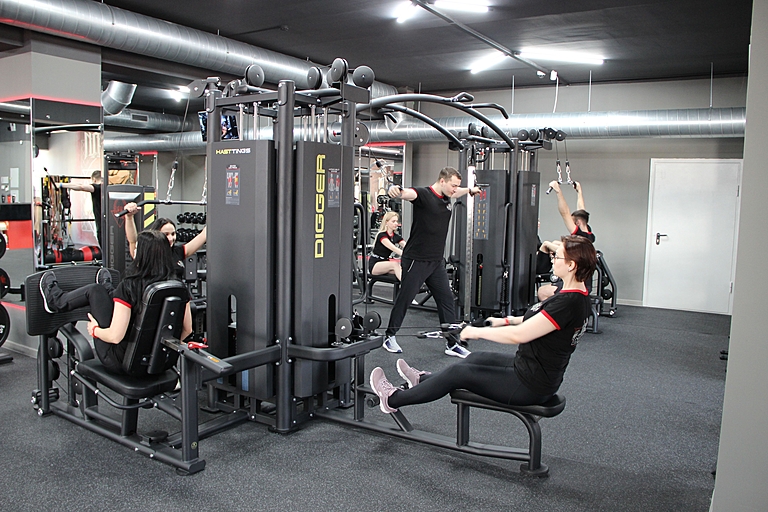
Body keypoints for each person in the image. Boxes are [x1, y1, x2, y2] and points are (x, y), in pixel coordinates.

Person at [369, 235, 596, 414]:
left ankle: (392, 399)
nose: (553, 259)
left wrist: (477, 332)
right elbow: (540, 320)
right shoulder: (572, 293)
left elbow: (519, 335)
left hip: (530, 385)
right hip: (529, 368)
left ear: (571, 265)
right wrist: (504, 320)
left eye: (557, 257)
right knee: (475, 358)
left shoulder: (569, 302)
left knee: (459, 372)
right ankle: (422, 380)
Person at [39, 230, 193, 375]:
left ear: (142, 255)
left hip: (120, 361)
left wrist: (94, 330)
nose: (134, 251)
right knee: (114, 295)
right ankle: (109, 289)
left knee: (95, 291)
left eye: (137, 248)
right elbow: (188, 329)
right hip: (159, 364)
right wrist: (159, 352)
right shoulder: (179, 287)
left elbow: (115, 337)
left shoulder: (130, 286)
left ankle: (55, 301)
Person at [382, 167, 480, 357]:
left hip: (436, 262)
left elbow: (457, 192)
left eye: (457, 186)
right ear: (442, 181)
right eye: (453, 185)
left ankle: (452, 344)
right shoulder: (424, 195)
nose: (455, 189)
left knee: (446, 301)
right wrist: (395, 190)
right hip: (416, 260)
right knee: (405, 299)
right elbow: (407, 193)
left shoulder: (447, 196)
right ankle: (389, 336)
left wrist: (469, 190)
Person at [539, 181, 595, 301]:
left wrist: (558, 191)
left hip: (576, 283)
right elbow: (581, 210)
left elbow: (564, 213)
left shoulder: (579, 235)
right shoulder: (587, 234)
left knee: (542, 292)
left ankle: (554, 312)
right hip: (581, 282)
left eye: (572, 221)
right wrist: (579, 191)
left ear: (577, 223)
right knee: (555, 243)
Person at [123, 203, 207, 280]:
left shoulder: (177, 252)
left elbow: (203, 235)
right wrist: (129, 217)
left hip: (175, 290)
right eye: (166, 234)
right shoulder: (146, 253)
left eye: (173, 234)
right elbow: (132, 241)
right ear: (156, 234)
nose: (170, 238)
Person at [58, 170, 103, 246]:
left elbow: (81, 187)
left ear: (94, 179)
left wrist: (61, 185)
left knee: (105, 248)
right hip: (111, 224)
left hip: (102, 226)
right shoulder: (109, 187)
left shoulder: (97, 188)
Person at [369, 211, 406, 280]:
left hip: (386, 262)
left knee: (404, 270)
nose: (396, 223)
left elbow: (406, 246)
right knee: (395, 264)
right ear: (386, 222)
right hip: (375, 264)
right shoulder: (382, 235)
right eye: (393, 221)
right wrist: (407, 255)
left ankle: (412, 284)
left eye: (396, 221)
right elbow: (393, 248)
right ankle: (407, 285)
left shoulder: (396, 236)